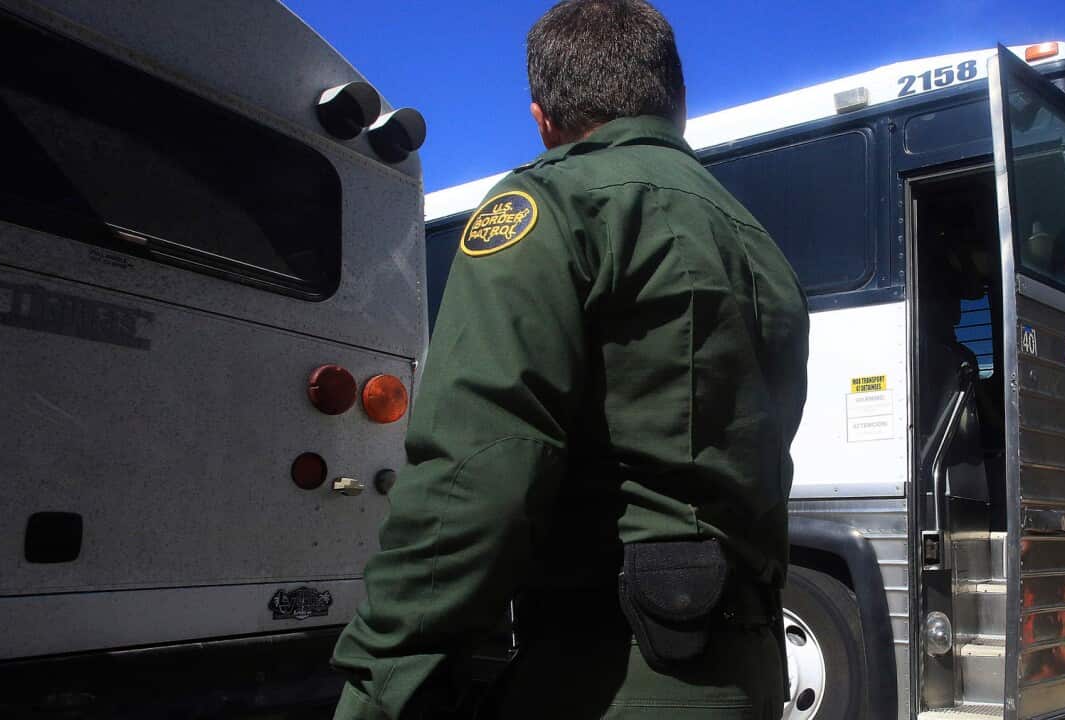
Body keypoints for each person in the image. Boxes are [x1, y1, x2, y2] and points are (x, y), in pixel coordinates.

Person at [330, 1, 809, 718]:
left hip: (609, 677)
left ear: (543, 118)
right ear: (677, 102)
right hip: (752, 669)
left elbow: (479, 466)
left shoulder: (548, 205)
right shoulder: (757, 243)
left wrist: (381, 680)